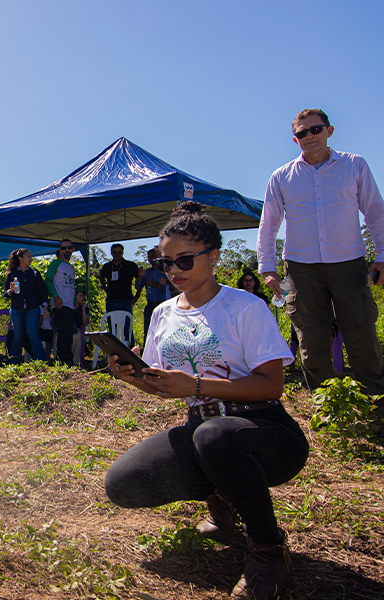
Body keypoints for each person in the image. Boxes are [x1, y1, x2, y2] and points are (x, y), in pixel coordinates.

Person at [105, 202, 308, 600]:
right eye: (165, 263)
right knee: (122, 485)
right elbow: (167, 385)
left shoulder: (245, 306)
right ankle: (222, 494)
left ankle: (269, 552)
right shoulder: (163, 313)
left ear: (213, 256)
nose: (174, 271)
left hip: (264, 431)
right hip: (204, 429)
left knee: (215, 437)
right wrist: (133, 377)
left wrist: (197, 385)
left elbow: (271, 386)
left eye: (184, 260)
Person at [257, 108, 384, 437]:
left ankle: (378, 415)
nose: (309, 136)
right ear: (295, 139)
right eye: (302, 133)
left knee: (361, 335)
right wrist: (267, 268)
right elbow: (269, 225)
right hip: (302, 267)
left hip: (349, 263)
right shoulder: (282, 177)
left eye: (315, 129)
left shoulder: (354, 166)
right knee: (312, 341)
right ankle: (330, 412)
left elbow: (375, 211)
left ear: (329, 130)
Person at [4, 248, 49, 363]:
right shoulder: (12, 274)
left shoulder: (34, 273)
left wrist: (45, 307)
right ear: (20, 258)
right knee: (17, 335)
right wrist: (11, 290)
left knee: (32, 333)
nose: (31, 259)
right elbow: (6, 293)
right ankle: (14, 360)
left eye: (31, 256)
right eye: (28, 256)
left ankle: (41, 361)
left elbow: (42, 291)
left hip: (32, 308)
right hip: (16, 309)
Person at [45, 241, 79, 366]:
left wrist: (75, 301)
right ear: (60, 250)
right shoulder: (55, 263)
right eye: (64, 248)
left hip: (70, 304)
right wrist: (55, 296)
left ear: (73, 249)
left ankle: (64, 360)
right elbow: (48, 280)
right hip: (60, 304)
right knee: (64, 332)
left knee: (68, 332)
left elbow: (72, 286)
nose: (67, 250)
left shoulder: (70, 267)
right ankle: (64, 360)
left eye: (69, 248)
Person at [136, 247, 172, 341]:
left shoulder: (166, 272)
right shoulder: (148, 272)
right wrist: (140, 277)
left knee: (164, 332)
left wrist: (155, 285)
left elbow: (169, 288)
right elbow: (138, 286)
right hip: (150, 306)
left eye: (153, 256)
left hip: (163, 304)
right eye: (149, 257)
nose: (151, 259)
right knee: (148, 332)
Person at [98, 243, 141, 313]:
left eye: (119, 252)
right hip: (111, 302)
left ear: (122, 253)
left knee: (127, 324)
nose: (117, 254)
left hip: (126, 302)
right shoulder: (107, 266)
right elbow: (101, 276)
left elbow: (140, 278)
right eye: (115, 252)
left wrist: (137, 296)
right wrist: (105, 289)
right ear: (111, 253)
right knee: (111, 324)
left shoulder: (130, 265)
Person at [70, 289, 92, 368]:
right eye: (80, 295)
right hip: (69, 328)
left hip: (78, 329)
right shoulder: (70, 306)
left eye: (82, 295)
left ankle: (76, 362)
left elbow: (85, 324)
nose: (82, 297)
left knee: (77, 337)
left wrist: (83, 310)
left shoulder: (85, 308)